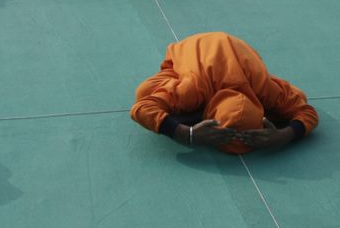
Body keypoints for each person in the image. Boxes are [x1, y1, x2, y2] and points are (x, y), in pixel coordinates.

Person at [130, 32, 318, 154]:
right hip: (190, 48)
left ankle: (193, 112)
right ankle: (192, 108)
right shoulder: (196, 87)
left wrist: (284, 135)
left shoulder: (263, 89)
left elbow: (308, 113)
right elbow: (141, 108)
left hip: (240, 52)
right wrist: (186, 134)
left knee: (294, 99)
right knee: (144, 93)